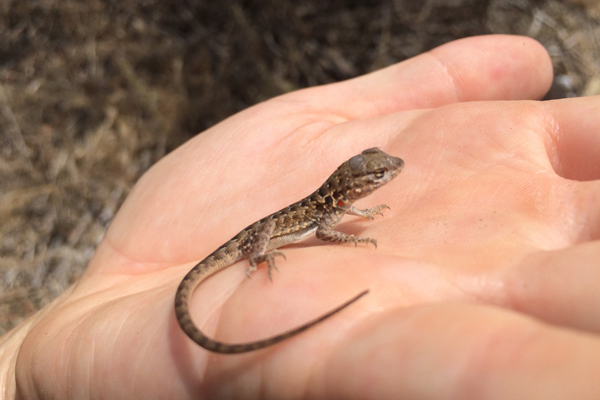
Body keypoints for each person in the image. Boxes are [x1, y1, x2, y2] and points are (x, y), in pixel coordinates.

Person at [2, 34, 600, 399]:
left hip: (278, 226)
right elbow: (325, 229)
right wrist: (265, 251)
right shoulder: (320, 216)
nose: (387, 172)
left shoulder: (334, 200)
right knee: (269, 240)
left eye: (383, 172)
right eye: (377, 175)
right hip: (253, 240)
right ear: (350, 184)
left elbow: (338, 215)